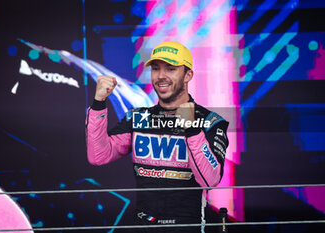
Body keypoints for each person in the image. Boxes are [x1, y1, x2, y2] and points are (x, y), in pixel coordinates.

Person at [86, 41, 229, 233]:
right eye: (155, 69)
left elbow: (210, 180)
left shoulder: (211, 121)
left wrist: (192, 129)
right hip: (144, 226)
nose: (161, 76)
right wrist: (98, 104)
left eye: (170, 69)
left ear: (188, 75)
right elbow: (99, 156)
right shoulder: (137, 118)